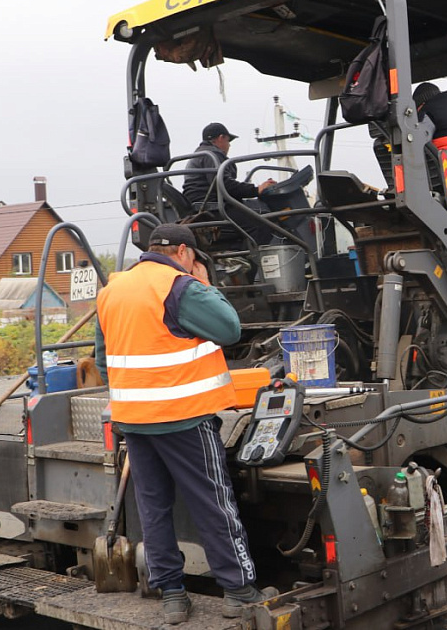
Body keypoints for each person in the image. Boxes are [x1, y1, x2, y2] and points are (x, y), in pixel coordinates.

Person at [94, 223, 275, 624]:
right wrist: (205, 284)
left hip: (134, 421)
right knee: (213, 504)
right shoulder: (179, 286)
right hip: (185, 418)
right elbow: (229, 328)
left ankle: (173, 596)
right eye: (194, 258)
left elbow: (104, 360)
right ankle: (238, 590)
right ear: (183, 252)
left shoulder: (113, 290)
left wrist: (135, 398)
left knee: (153, 508)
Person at [183, 122, 276, 244]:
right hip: (213, 208)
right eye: (228, 141)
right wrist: (256, 189)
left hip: (201, 206)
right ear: (221, 138)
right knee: (262, 224)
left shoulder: (200, 154)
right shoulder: (213, 155)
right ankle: (255, 255)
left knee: (253, 216)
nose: (229, 145)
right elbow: (224, 185)